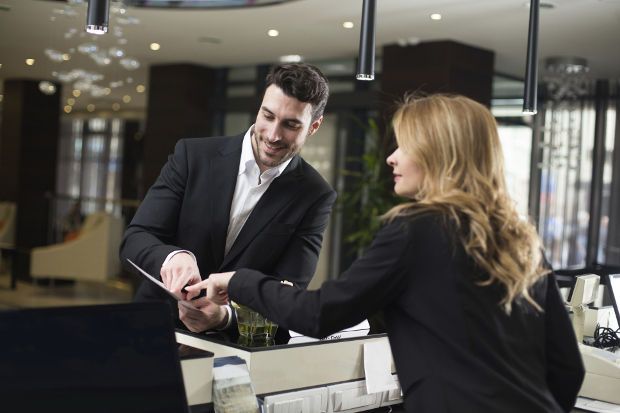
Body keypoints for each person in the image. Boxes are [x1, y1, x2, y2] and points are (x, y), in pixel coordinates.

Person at [189, 95, 585, 413]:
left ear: (440, 155)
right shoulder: (519, 238)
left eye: (405, 145)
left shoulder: (417, 228)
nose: (391, 157)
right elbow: (567, 366)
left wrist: (239, 280)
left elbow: (320, 313)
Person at [120, 63, 336, 333]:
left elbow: (288, 296)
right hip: (153, 326)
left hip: (235, 349)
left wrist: (226, 317)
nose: (273, 135)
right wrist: (173, 257)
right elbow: (135, 238)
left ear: (314, 126)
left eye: (290, 125)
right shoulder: (192, 156)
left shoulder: (315, 195)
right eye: (267, 116)